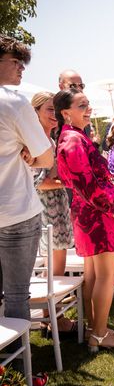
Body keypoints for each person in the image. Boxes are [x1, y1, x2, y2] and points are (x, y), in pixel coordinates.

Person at [54, 88, 114, 351]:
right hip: (97, 215)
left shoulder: (73, 137)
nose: (88, 110)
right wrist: (113, 209)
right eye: (82, 106)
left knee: (93, 275)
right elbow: (86, 184)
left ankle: (95, 327)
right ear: (66, 112)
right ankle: (99, 334)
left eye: (88, 105)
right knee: (104, 276)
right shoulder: (73, 140)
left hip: (91, 213)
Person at [0, 36, 53, 324]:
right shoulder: (14, 101)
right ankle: (21, 368)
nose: (22, 69)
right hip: (16, 210)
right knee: (17, 294)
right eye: (16, 62)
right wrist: (31, 154)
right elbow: (46, 158)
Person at [31, 92, 76, 335]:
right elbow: (38, 183)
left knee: (59, 266)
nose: (54, 114)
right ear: (35, 112)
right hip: (45, 208)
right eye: (48, 109)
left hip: (57, 205)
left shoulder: (50, 139)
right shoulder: (35, 141)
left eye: (54, 110)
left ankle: (54, 315)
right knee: (53, 268)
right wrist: (69, 182)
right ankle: (52, 319)